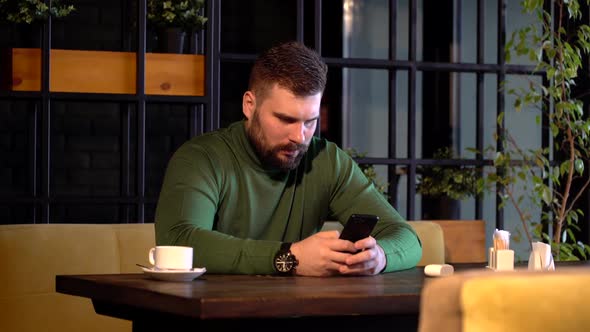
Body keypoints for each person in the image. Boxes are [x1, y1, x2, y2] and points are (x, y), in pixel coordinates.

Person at [154, 41, 422, 276]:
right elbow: (179, 241)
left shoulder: (326, 160)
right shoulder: (202, 158)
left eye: (310, 122)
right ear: (250, 105)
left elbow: (406, 238)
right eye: (285, 119)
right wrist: (289, 258)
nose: (300, 136)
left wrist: (379, 258)